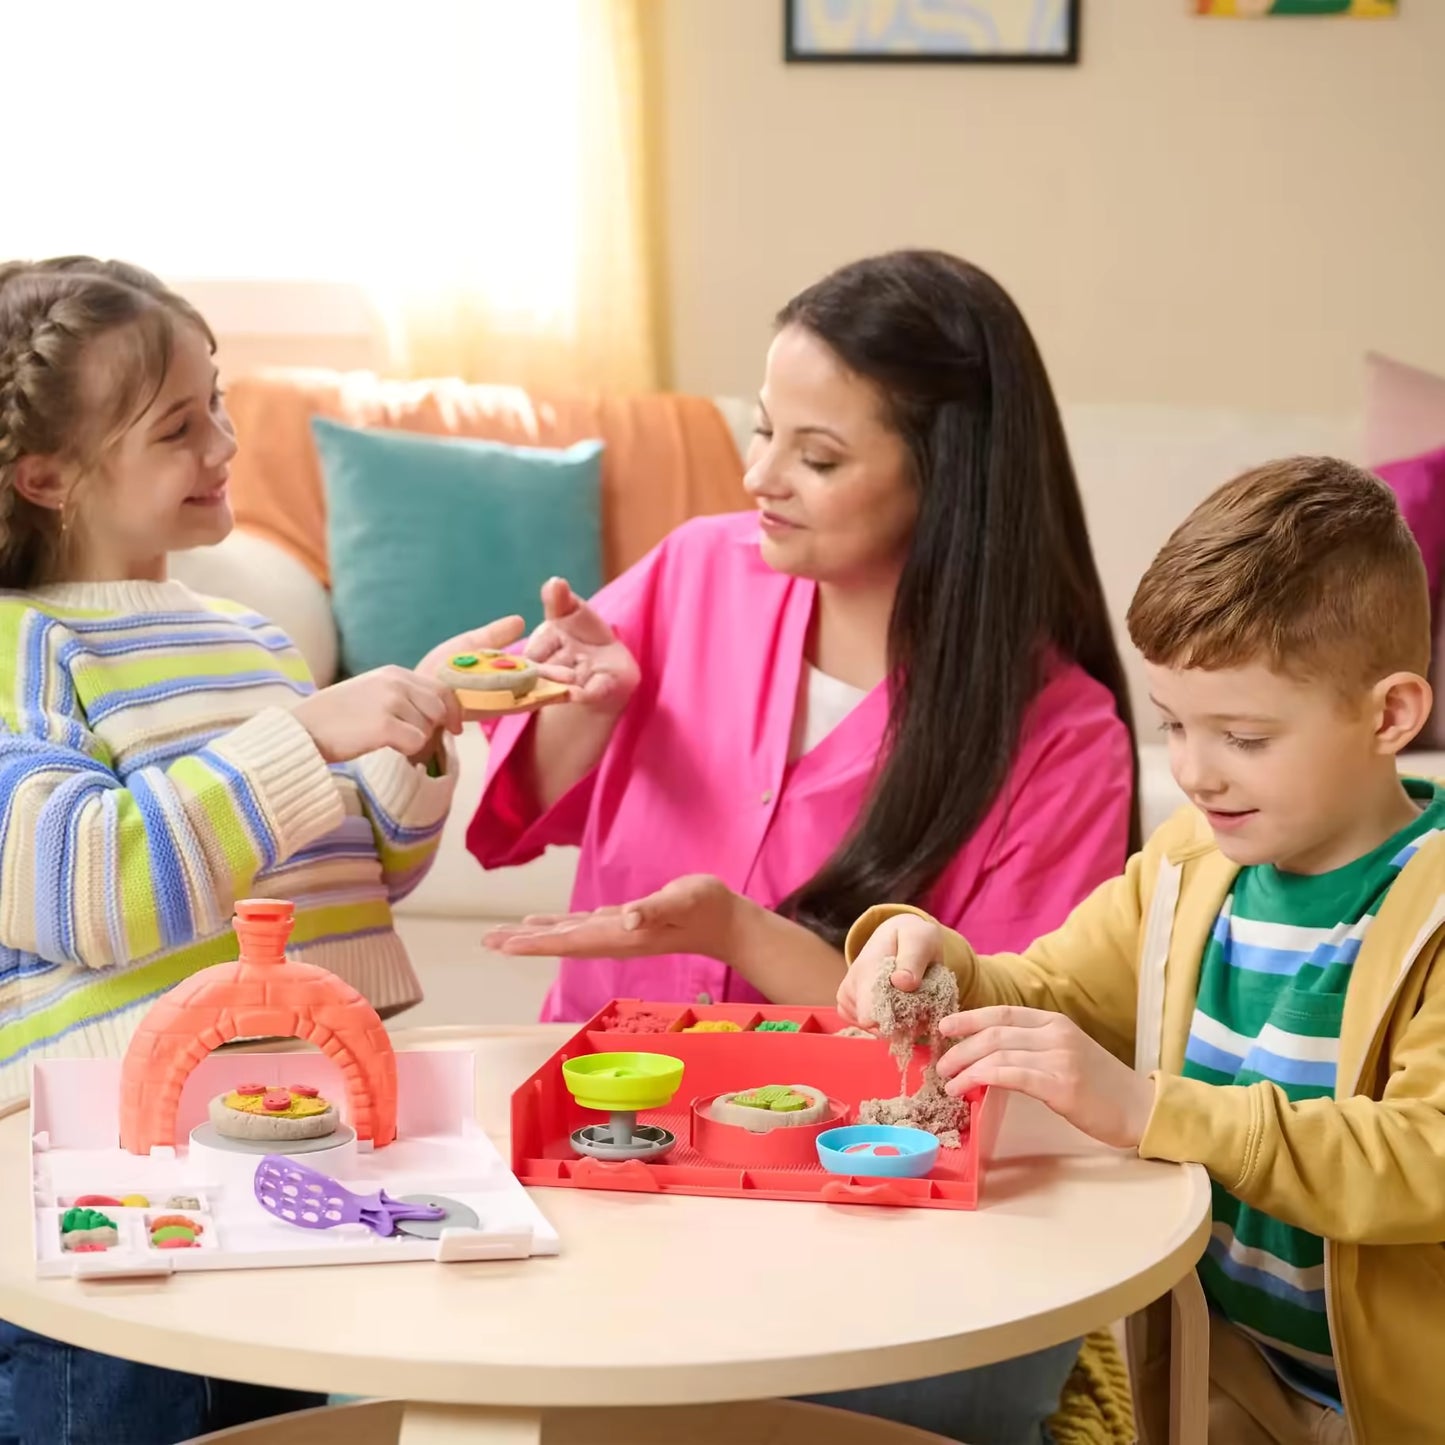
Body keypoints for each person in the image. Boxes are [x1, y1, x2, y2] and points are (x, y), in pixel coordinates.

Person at [471, 250, 1137, 1444]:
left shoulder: (1061, 736)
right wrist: (591, 701)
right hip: (602, 1151)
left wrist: (739, 930)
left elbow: (984, 1050)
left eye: (816, 457)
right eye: (762, 430)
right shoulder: (693, 572)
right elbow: (520, 819)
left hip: (856, 1205)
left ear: (947, 478)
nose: (758, 476)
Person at [0, 257, 517, 1443]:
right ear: (46, 476)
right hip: (112, 1168)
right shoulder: (26, 649)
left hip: (295, 1139)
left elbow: (357, 874)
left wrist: (418, 727)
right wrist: (304, 731)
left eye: (219, 402)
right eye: (179, 428)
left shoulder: (251, 637)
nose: (226, 442)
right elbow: (91, 888)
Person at [840, 457, 1445, 1445]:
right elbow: (1045, 991)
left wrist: (1147, 1110)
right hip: (1230, 1371)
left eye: (1243, 736)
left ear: (1387, 714)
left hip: (1401, 1406)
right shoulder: (1185, 864)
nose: (1195, 772)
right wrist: (930, 956)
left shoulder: (1428, 907)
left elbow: (1423, 1156)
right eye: (1172, 724)